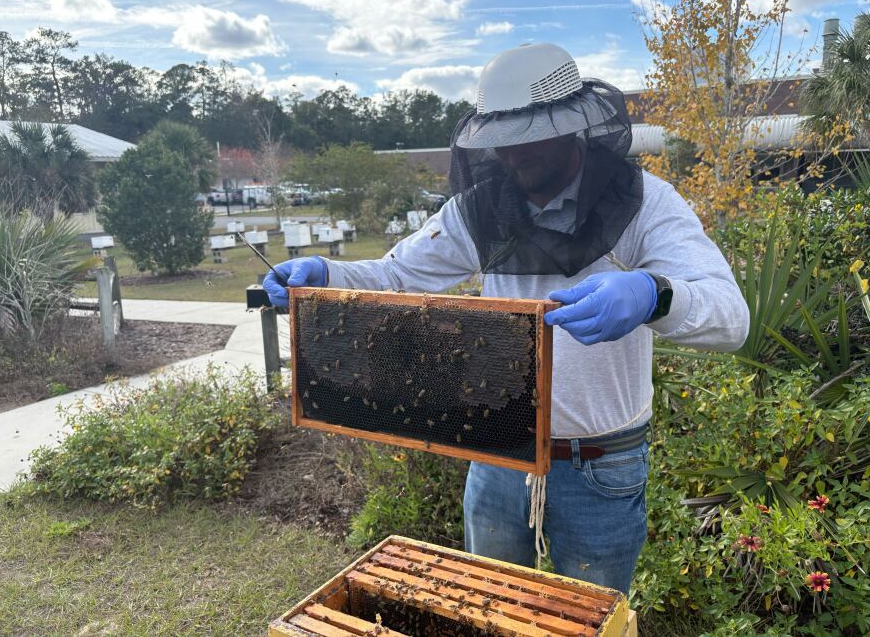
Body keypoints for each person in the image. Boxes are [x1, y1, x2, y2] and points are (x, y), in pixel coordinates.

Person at [264, 43, 749, 594]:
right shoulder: (482, 208)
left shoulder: (647, 205)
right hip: (497, 450)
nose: (514, 157)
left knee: (591, 621)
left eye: (529, 140)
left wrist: (654, 294)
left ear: (571, 125)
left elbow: (731, 317)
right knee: (487, 608)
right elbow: (398, 275)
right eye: (502, 142)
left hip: (600, 465)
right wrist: (325, 273)